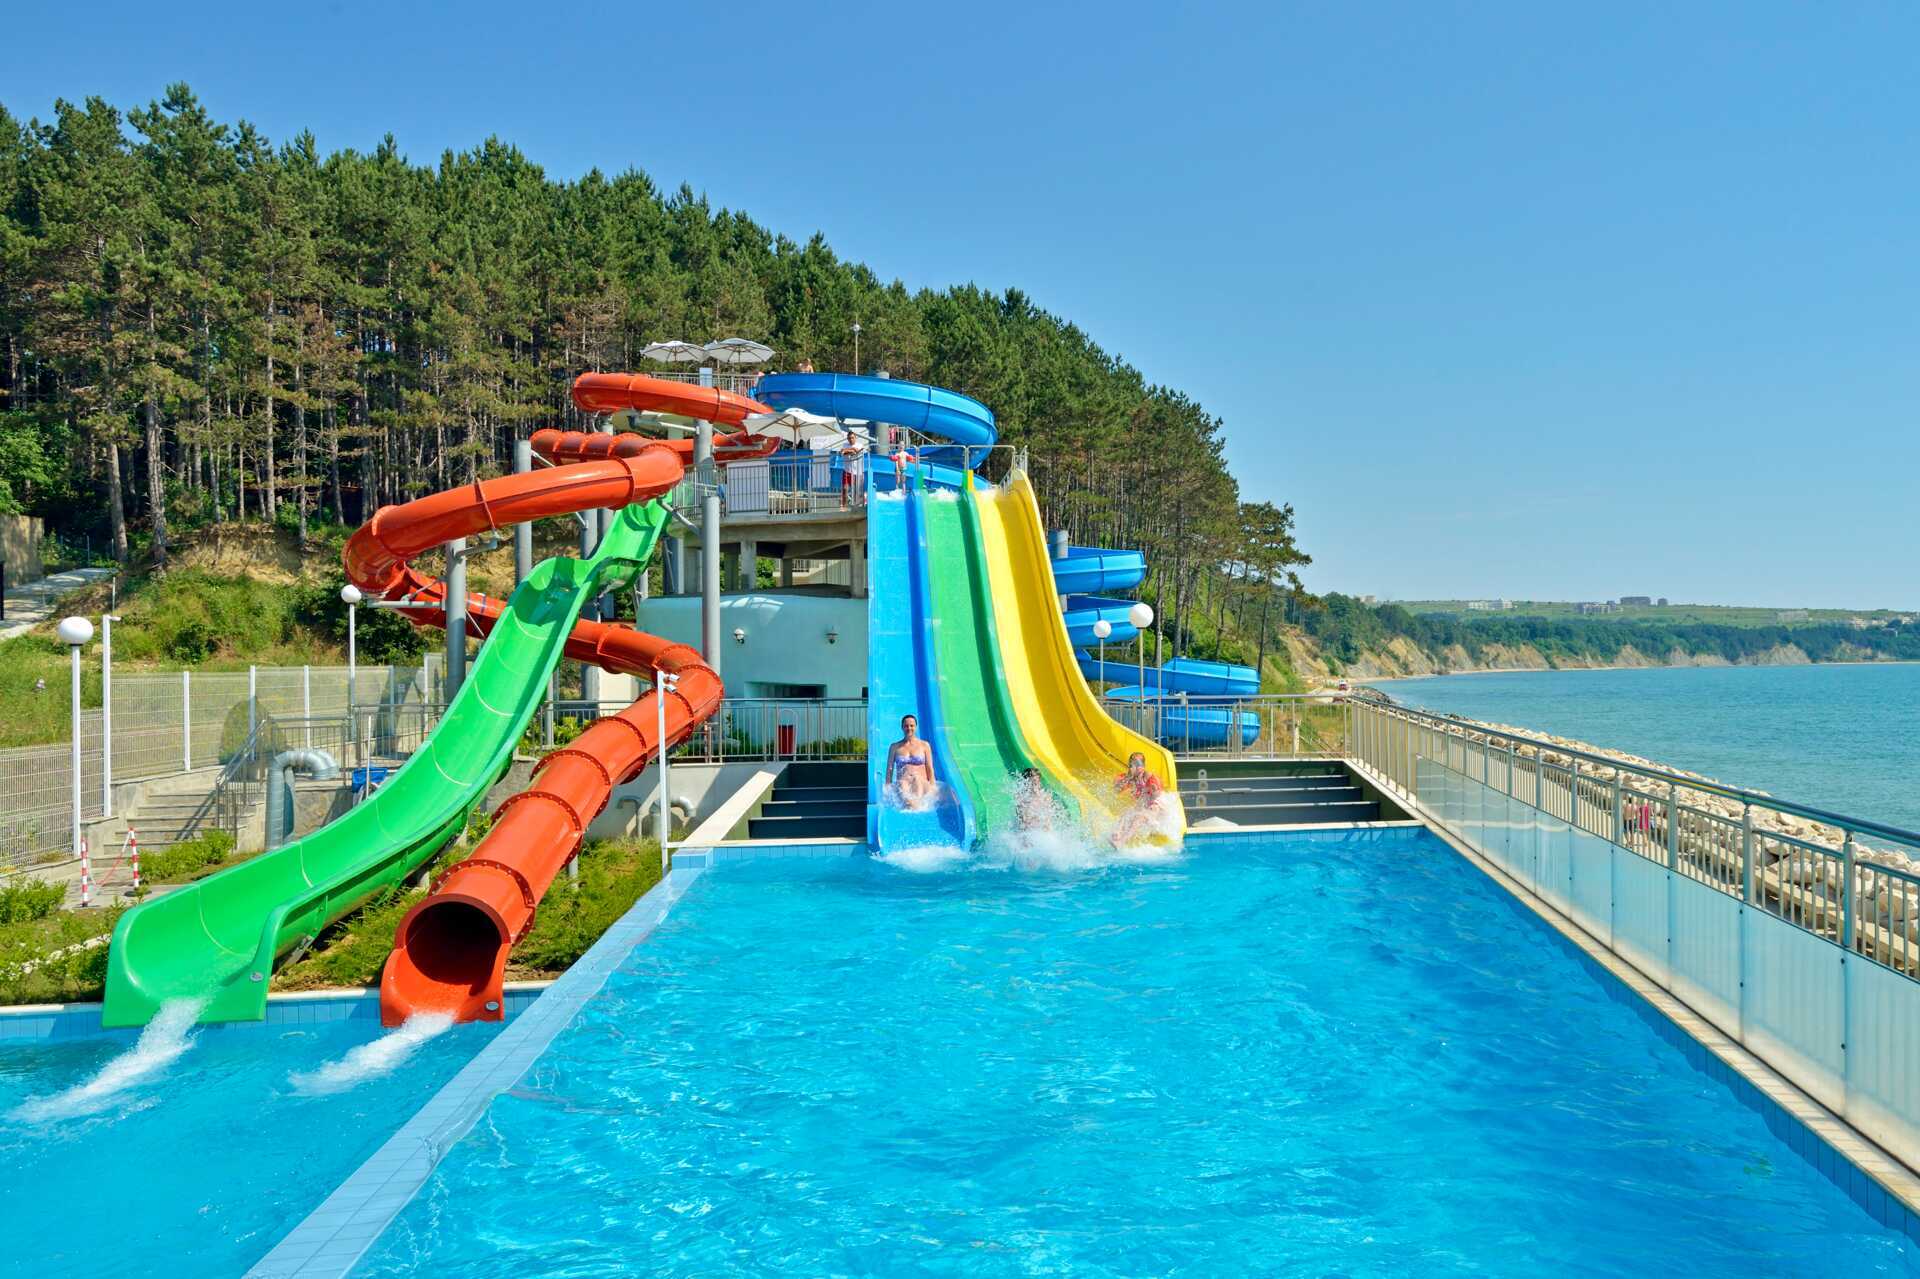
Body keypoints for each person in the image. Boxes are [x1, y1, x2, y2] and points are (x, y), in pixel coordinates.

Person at [1111, 752, 1164, 846]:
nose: (1133, 767)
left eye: (1137, 764)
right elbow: (1116, 790)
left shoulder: (1148, 777)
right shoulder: (1130, 778)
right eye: (1132, 764)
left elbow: (1157, 795)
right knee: (1126, 814)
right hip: (1144, 805)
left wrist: (1153, 790)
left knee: (1138, 818)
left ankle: (1122, 841)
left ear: (1142, 766)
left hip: (1156, 806)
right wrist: (1127, 778)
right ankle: (1116, 836)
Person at [886, 714, 936, 809]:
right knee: (902, 785)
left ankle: (915, 807)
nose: (909, 728)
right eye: (906, 726)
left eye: (912, 725)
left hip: (920, 781)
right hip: (903, 781)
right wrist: (887, 787)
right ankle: (913, 806)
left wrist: (933, 786)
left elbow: (930, 768)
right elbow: (890, 769)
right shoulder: (894, 747)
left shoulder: (924, 745)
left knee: (917, 781)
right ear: (902, 727)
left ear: (916, 727)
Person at [1013, 767, 1060, 832]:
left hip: (1042, 831)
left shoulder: (1046, 796)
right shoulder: (1022, 798)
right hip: (1027, 831)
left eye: (1037, 782)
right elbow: (1023, 821)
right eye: (1033, 783)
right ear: (1026, 783)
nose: (1036, 786)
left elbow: (1048, 820)